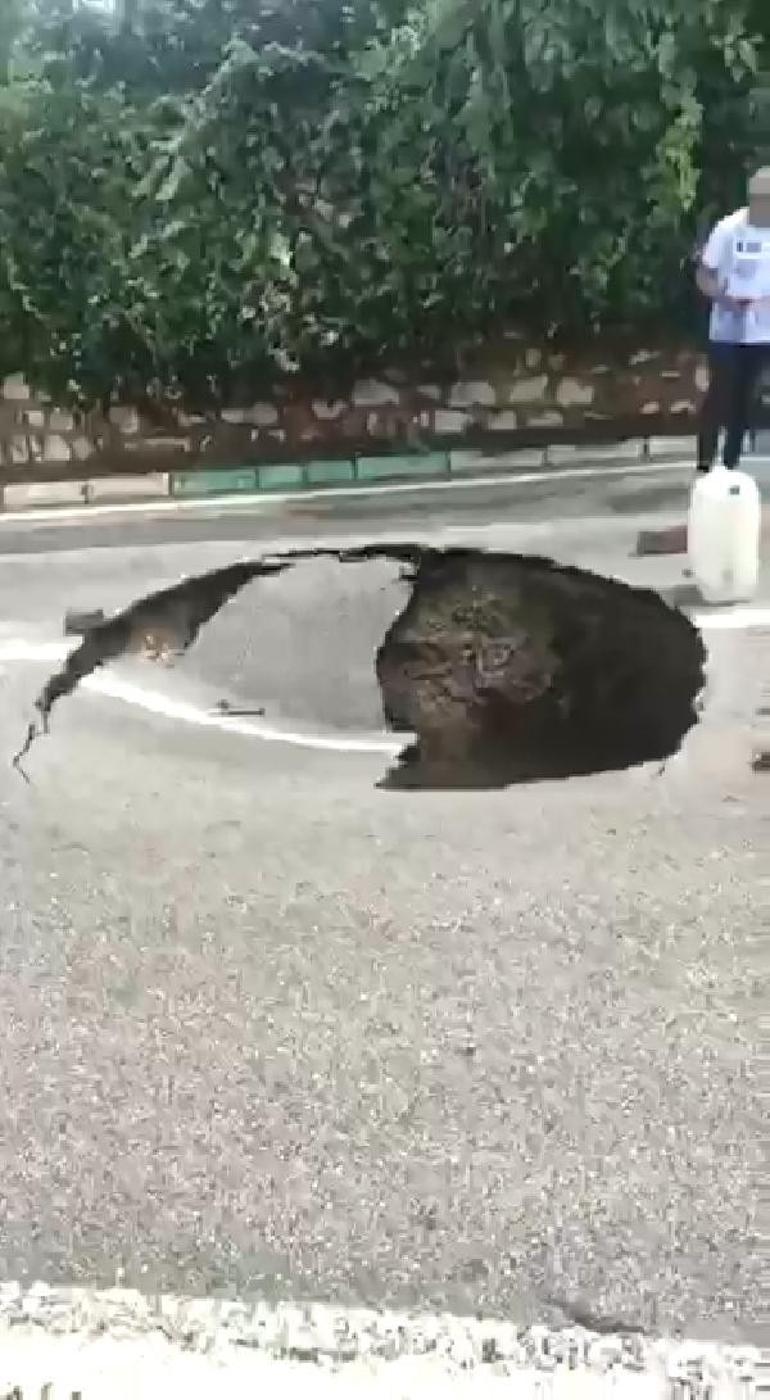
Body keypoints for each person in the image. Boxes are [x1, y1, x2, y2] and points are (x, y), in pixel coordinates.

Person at [695, 167, 770, 473]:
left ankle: (730, 465)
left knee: (745, 398)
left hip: (763, 330)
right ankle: (704, 461)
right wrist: (722, 297)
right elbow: (704, 274)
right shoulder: (728, 230)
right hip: (727, 329)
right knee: (721, 394)